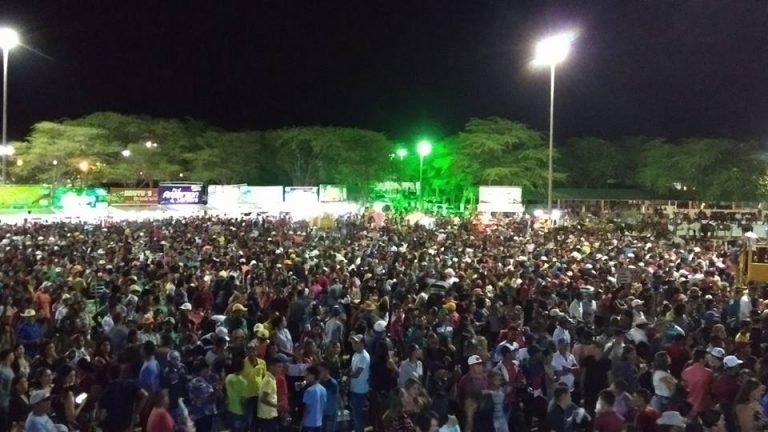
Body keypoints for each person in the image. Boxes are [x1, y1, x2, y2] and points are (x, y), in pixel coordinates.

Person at [99, 364, 148, 432]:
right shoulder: (130, 384)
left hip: (112, 425)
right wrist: (136, 412)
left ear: (108, 375)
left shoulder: (107, 390)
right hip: (127, 424)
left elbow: (102, 415)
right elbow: (145, 395)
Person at [681, 348, 714, 416]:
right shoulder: (709, 373)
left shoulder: (685, 372)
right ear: (701, 359)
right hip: (704, 405)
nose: (707, 360)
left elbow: (683, 388)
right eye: (706, 358)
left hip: (689, 405)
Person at [348, 334, 370, 432]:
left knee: (358, 416)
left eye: (356, 343)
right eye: (353, 342)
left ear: (362, 344)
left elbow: (356, 374)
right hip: (354, 388)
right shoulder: (355, 355)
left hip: (360, 390)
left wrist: (346, 375)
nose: (353, 344)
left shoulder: (364, 356)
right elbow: (352, 369)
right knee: (355, 414)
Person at [256, 357, 281, 432]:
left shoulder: (270, 378)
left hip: (268, 414)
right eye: (278, 367)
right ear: (271, 367)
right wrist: (276, 405)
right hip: (268, 415)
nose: (280, 369)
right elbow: (263, 399)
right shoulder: (269, 380)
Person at [224, 355, 248, 432]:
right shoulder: (243, 382)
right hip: (239, 410)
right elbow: (243, 399)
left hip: (229, 408)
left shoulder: (228, 378)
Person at [301, 365, 327, 432]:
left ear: (313, 376)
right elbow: (324, 406)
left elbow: (307, 409)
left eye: (307, 374)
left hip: (309, 423)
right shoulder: (323, 389)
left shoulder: (309, 390)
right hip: (319, 423)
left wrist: (302, 423)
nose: (305, 376)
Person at [317, 362, 339, 432]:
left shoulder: (333, 383)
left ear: (327, 371)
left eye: (320, 371)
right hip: (321, 413)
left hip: (330, 414)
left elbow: (334, 400)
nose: (318, 373)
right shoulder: (319, 382)